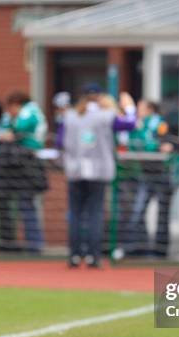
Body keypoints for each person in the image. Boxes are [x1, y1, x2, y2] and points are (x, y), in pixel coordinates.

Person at [62, 89, 136, 268]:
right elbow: (130, 124)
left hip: (75, 170)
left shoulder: (70, 116)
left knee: (76, 214)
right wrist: (130, 107)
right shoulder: (105, 116)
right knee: (95, 213)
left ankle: (74, 255)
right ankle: (93, 256)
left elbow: (60, 141)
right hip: (98, 170)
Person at [0, 91, 48, 252]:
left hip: (28, 163)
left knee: (27, 204)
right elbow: (2, 129)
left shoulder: (29, 110)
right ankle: (19, 243)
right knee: (18, 205)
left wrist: (4, 133)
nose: (9, 112)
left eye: (11, 108)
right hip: (18, 162)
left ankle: (34, 244)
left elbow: (17, 128)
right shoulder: (19, 114)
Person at [119, 100, 172, 258]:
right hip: (145, 173)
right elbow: (132, 144)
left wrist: (149, 143)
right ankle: (138, 247)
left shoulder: (159, 123)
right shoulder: (139, 124)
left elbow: (156, 144)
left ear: (149, 109)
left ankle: (161, 250)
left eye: (140, 108)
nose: (137, 111)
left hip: (162, 173)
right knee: (139, 210)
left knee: (162, 213)